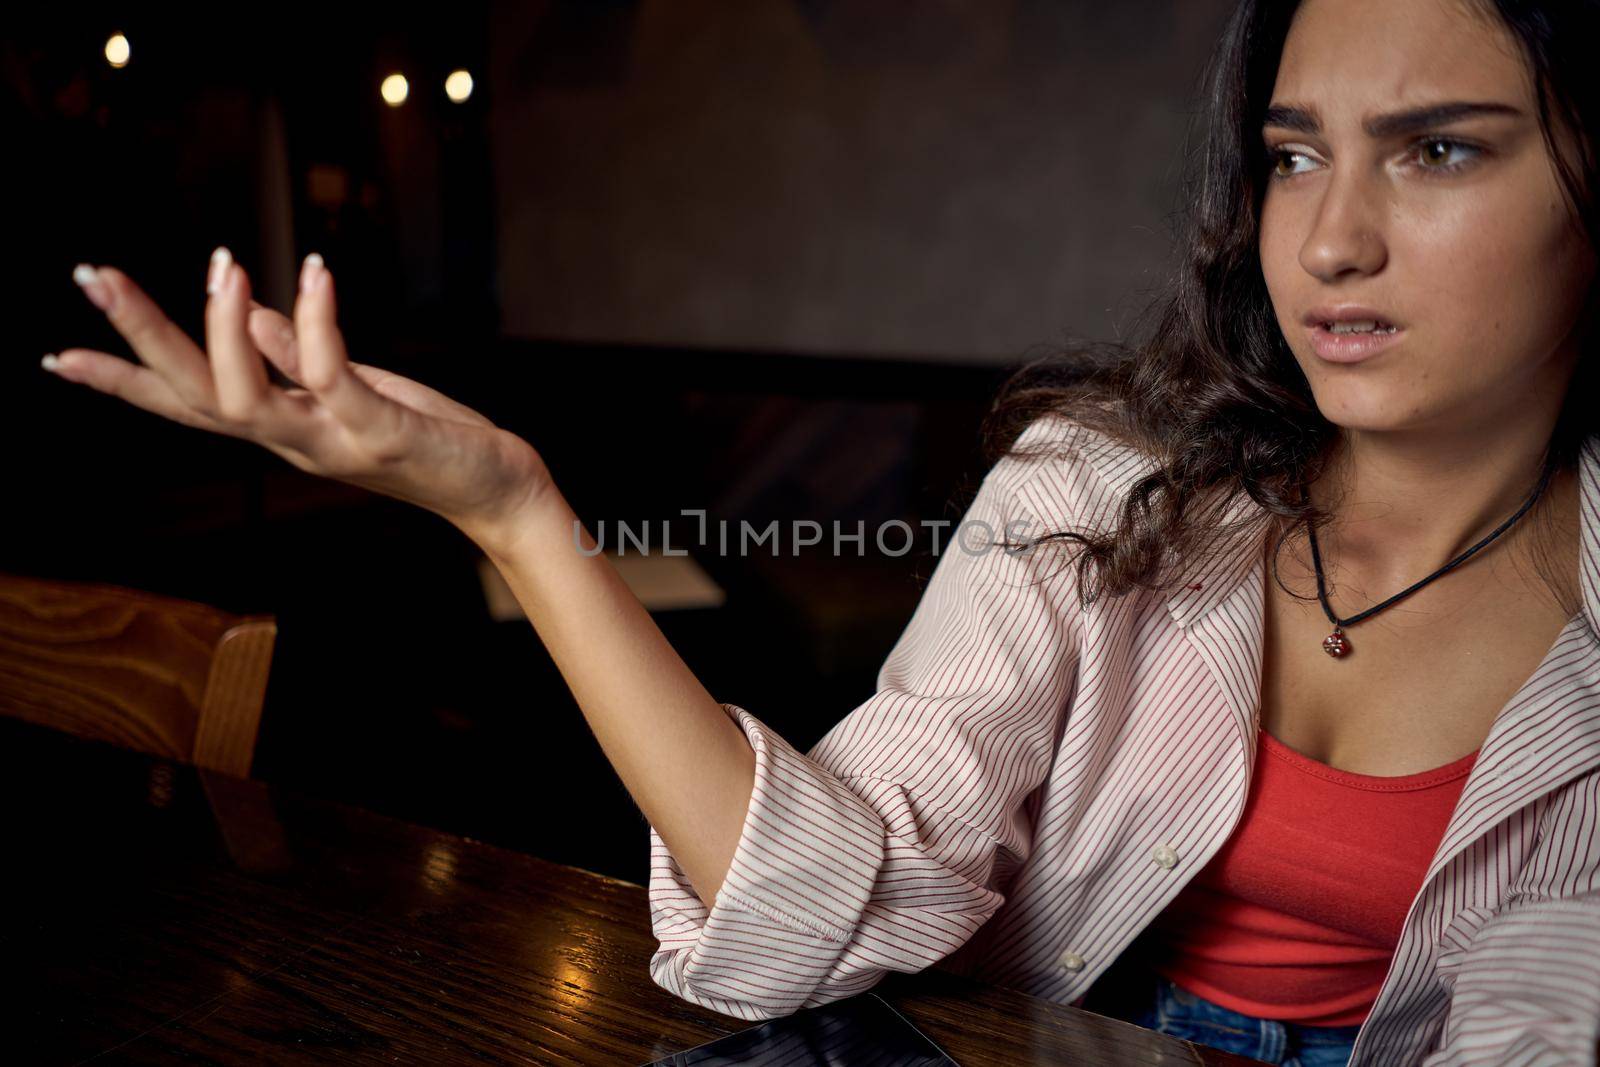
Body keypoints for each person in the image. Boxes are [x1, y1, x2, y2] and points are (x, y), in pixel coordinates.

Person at [40, 0, 1600, 1063]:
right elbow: (819, 906)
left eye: (1439, 147)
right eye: (1294, 151)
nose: (1328, 237)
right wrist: (512, 508)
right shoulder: (1100, 489)